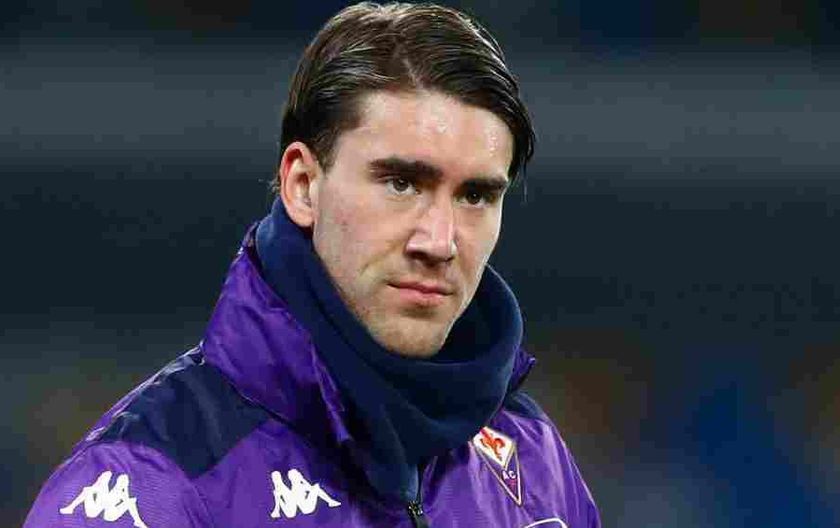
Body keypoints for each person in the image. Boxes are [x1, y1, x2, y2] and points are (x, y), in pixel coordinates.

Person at [24, 3, 600, 527]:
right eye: (401, 183)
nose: (439, 241)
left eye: (475, 195)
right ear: (303, 185)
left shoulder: (534, 458)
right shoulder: (150, 485)